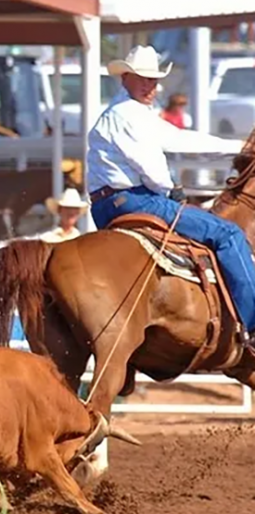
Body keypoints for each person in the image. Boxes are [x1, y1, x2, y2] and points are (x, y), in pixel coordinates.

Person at [88, 45, 255, 348]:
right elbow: (149, 166)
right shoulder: (128, 115)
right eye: (144, 79)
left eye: (153, 80)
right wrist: (172, 190)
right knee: (229, 233)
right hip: (135, 199)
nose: (151, 86)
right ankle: (253, 323)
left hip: (107, 204)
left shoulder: (128, 112)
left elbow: (179, 138)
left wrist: (236, 147)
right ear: (125, 76)